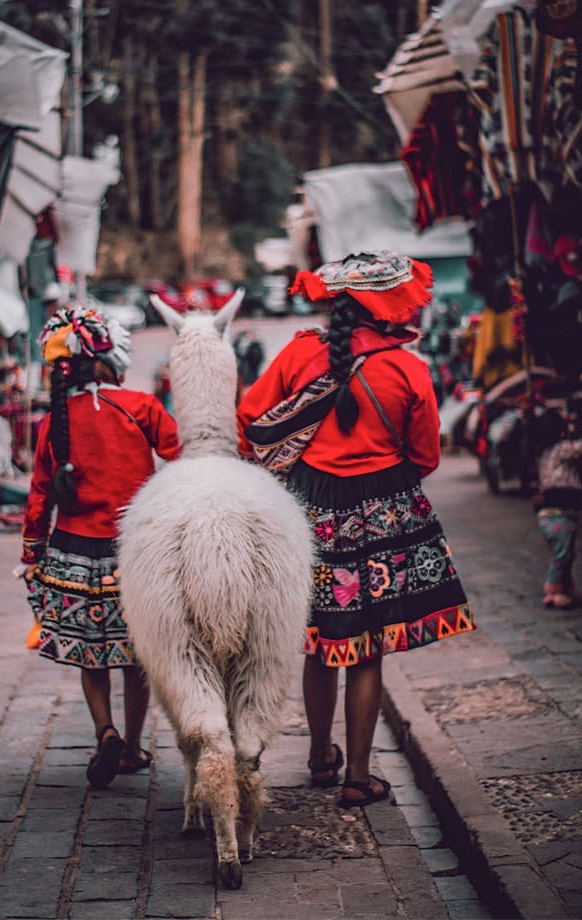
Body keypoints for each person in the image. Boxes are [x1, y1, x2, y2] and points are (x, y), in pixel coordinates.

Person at [237, 252, 474, 807]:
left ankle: (321, 756)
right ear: (387, 307)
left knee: (319, 644)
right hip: (385, 513)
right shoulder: (409, 368)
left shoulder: (299, 352)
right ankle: (358, 778)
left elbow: (250, 419)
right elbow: (425, 455)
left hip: (308, 513)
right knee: (367, 649)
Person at [20, 306, 180, 788]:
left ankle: (104, 731)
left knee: (92, 655)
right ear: (114, 358)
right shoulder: (141, 407)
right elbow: (181, 452)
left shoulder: (55, 421)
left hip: (72, 553)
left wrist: (31, 552)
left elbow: (39, 494)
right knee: (137, 656)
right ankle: (132, 747)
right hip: (133, 554)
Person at [533, 406, 582, 609]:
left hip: (548, 514)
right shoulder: (562, 450)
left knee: (563, 552)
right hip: (560, 513)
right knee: (564, 554)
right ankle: (553, 591)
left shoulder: (544, 454)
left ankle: (565, 588)